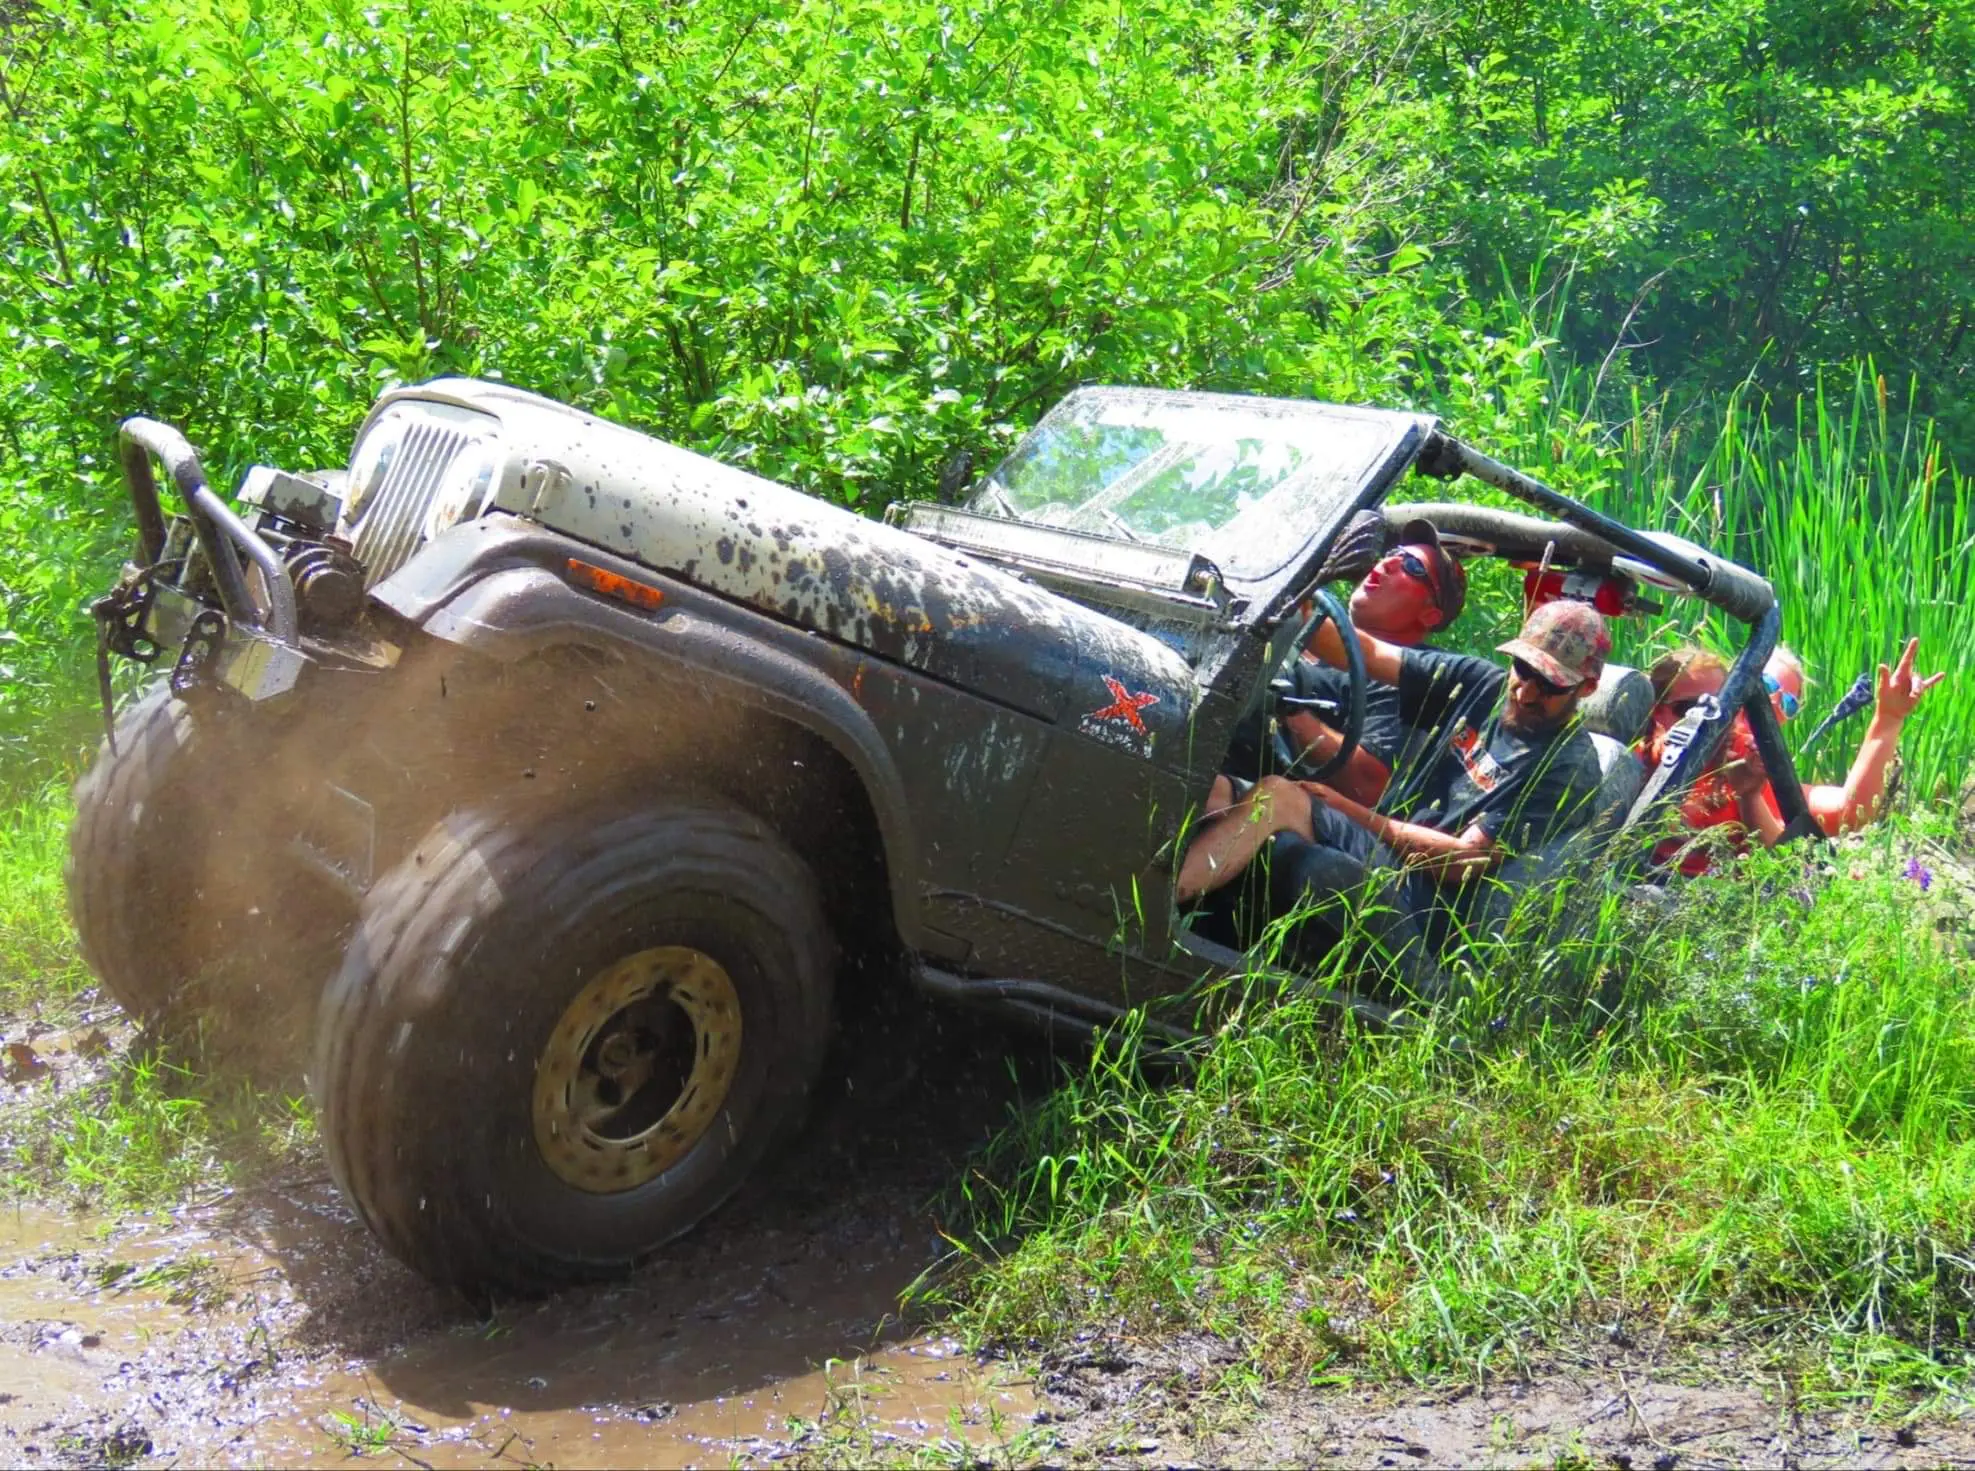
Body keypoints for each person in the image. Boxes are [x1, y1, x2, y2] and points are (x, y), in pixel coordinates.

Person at [1176, 599, 1611, 995]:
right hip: (1383, 847)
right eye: (1524, 670)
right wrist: (1301, 603)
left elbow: (1463, 862)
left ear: (1585, 689)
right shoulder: (1484, 685)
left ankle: (1151, 915)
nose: (1526, 692)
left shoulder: (1567, 767)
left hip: (1423, 898)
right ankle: (1130, 890)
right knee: (1218, 791)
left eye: (1550, 686)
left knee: (1276, 797)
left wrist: (1345, 809)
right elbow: (1368, 655)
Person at [1635, 638, 1945, 871]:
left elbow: (1850, 812)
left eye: (1789, 703)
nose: (1771, 701)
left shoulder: (1752, 766)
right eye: (1765, 686)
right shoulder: (1635, 757)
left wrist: (1888, 719)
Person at [1272, 520, 1468, 805]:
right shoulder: (1308, 619)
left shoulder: (1407, 681)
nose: (1390, 562)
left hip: (1268, 803)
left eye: (1412, 566)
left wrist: (1284, 708)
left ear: (1430, 615)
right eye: (1394, 552)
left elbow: (1368, 783)